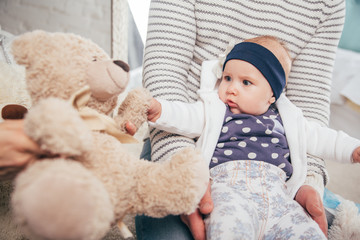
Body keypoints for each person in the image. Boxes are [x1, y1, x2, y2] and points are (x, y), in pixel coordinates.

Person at [137, 1, 346, 239]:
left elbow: (311, 110)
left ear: (272, 97)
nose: (232, 90)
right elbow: (166, 70)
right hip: (181, 145)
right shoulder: (211, 110)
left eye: (245, 82)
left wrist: (308, 181)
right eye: (227, 78)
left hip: (274, 176)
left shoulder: (327, 5)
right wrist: (182, 170)